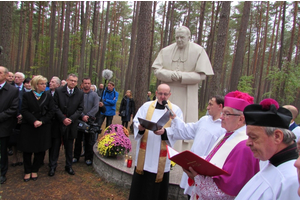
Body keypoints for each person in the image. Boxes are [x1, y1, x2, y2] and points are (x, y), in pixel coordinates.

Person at [183, 91, 259, 199]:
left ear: (241, 119)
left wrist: (197, 177)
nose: (221, 117)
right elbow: (214, 160)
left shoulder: (245, 146)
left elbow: (226, 192)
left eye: (226, 114)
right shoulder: (226, 135)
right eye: (222, 113)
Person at [152, 26, 214, 152]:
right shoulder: (166, 51)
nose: (179, 40)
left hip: (187, 93)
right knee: (165, 119)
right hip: (168, 92)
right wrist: (170, 75)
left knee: (184, 122)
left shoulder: (198, 50)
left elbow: (202, 75)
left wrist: (182, 76)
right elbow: (156, 70)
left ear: (188, 37)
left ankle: (181, 150)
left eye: (182, 37)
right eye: (177, 37)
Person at [236, 99, 299, 200]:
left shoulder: (292, 180)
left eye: (253, 137)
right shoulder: (269, 161)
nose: (248, 143)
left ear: (277, 136)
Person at [128, 84, 183, 200]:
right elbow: (136, 121)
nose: (162, 96)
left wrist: (164, 132)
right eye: (160, 93)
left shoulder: (175, 110)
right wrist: (140, 128)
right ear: (156, 93)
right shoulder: (146, 106)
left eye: (165, 94)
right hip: (145, 153)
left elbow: (178, 130)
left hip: (160, 155)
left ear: (170, 95)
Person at [168, 95, 226, 198]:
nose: (207, 107)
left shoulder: (223, 127)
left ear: (220, 106)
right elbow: (187, 130)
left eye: (211, 104)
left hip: (205, 171)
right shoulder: (204, 120)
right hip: (193, 166)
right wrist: (175, 119)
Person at [18, 75, 55, 182]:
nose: (44, 86)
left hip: (43, 126)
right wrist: (34, 120)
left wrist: (42, 121)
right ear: (36, 85)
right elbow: (24, 110)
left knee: (41, 149)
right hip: (29, 126)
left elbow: (51, 111)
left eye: (45, 84)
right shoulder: (27, 95)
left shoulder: (48, 96)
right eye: (42, 84)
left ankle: (35, 169)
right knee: (27, 149)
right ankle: (27, 170)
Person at [53, 74, 84, 175]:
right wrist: (63, 118)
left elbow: (80, 109)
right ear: (67, 80)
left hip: (71, 124)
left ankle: (68, 166)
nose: (73, 83)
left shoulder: (80, 93)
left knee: (69, 146)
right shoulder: (58, 91)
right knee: (55, 146)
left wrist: (71, 119)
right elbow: (55, 106)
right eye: (71, 80)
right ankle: (53, 166)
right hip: (59, 122)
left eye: (75, 81)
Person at [73, 78, 99, 166]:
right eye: (85, 83)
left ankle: (88, 157)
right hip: (79, 119)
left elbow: (96, 107)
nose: (87, 85)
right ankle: (76, 156)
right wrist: (82, 115)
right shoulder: (78, 94)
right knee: (78, 139)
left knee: (89, 140)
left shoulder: (95, 95)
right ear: (82, 84)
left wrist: (88, 115)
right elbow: (76, 106)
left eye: (88, 83)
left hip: (90, 120)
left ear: (90, 84)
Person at [0, 66, 19, 184]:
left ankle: (2, 173)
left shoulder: (12, 90)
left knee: (2, 151)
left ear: (6, 76)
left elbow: (13, 108)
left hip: (3, 126)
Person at [9, 72, 25, 167]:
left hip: (24, 117)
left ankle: (20, 155)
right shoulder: (10, 88)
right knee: (13, 136)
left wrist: (22, 115)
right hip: (12, 116)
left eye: (19, 77)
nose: (16, 79)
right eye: (15, 77)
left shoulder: (27, 90)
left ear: (23, 79)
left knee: (22, 136)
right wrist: (16, 114)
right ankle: (14, 156)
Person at [47, 76, 61, 177]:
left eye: (52, 82)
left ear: (58, 85)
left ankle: (52, 165)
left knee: (55, 145)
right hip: (46, 123)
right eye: (50, 82)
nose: (50, 83)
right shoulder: (45, 93)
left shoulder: (61, 94)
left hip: (57, 123)